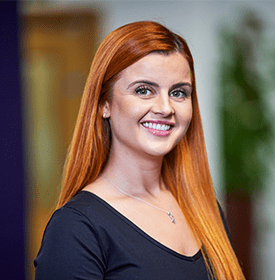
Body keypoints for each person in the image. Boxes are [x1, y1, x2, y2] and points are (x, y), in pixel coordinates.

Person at [34, 21, 245, 280]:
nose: (165, 108)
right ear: (104, 104)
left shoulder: (205, 207)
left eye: (179, 92)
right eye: (144, 90)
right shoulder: (76, 227)